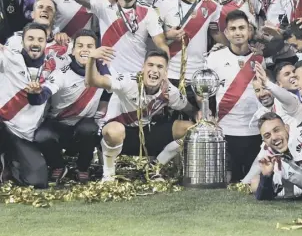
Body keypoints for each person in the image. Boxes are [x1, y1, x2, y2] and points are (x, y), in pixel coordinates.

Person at [85, 48, 197, 181]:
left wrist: (199, 113)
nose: (155, 70)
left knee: (192, 129)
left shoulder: (170, 91)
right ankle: (108, 174)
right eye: (150, 65)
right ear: (143, 68)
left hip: (147, 134)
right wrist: (91, 59)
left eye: (160, 67)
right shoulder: (127, 81)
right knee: (115, 130)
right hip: (121, 135)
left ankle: (154, 167)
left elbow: (190, 110)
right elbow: (94, 81)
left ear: (165, 72)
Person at [54, 0, 169, 74]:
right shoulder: (103, 4)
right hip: (107, 76)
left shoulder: (148, 13)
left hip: (136, 76)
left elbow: (161, 45)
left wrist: (163, 73)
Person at [30, 30, 106, 183]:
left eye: (90, 46)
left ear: (96, 50)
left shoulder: (103, 72)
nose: (85, 49)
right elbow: (43, 95)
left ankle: (83, 167)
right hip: (58, 125)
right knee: (42, 137)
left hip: (83, 124)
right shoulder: (61, 74)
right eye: (80, 46)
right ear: (72, 51)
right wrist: (36, 93)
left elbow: (113, 89)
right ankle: (58, 165)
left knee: (90, 130)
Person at [157, 0, 226, 107]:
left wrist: (232, 48)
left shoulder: (212, 6)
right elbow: (152, 36)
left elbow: (215, 33)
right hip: (169, 73)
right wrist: (168, 35)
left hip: (199, 73)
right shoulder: (163, 2)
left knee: (201, 118)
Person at [207, 10, 264, 182]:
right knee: (227, 180)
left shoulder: (260, 58)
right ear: (226, 33)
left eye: (241, 28)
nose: (238, 32)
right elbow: (204, 93)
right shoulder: (214, 57)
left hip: (254, 131)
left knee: (253, 181)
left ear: (249, 31)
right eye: (233, 29)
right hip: (225, 131)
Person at [0, 23, 58, 188]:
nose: (35, 43)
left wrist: (36, 93)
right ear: (22, 41)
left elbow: (41, 98)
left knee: (37, 182)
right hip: (3, 125)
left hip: (24, 135)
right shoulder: (9, 57)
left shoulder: (52, 68)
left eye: (40, 39)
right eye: (30, 38)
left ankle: (10, 162)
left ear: (46, 43)